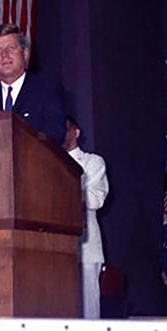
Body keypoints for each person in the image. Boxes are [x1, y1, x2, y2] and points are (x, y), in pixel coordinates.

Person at [0, 23, 67, 144]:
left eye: (11, 48)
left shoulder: (47, 90)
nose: (4, 55)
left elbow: (55, 134)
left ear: (25, 53)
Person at [62, 116, 109, 319]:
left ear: (76, 132)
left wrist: (62, 191)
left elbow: (96, 199)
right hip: (55, 251)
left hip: (85, 248)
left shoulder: (92, 162)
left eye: (65, 128)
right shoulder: (45, 162)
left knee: (88, 312)